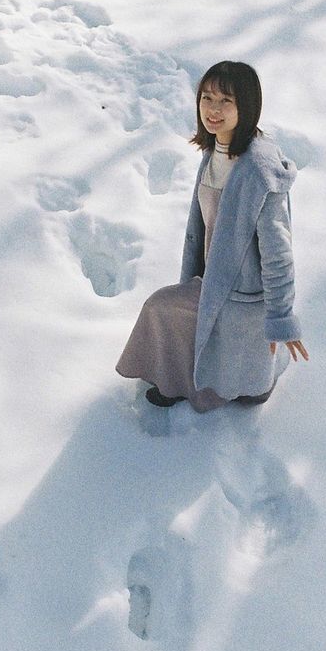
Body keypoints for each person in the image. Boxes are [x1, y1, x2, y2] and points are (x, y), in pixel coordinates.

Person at [116, 60, 308, 411]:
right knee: (173, 312)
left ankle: (195, 386)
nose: (213, 110)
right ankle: (195, 379)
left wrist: (281, 317)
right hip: (213, 281)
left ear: (246, 107)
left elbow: (278, 252)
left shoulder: (258, 171)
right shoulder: (215, 151)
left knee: (159, 307)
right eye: (207, 98)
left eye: (226, 101)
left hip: (240, 296)